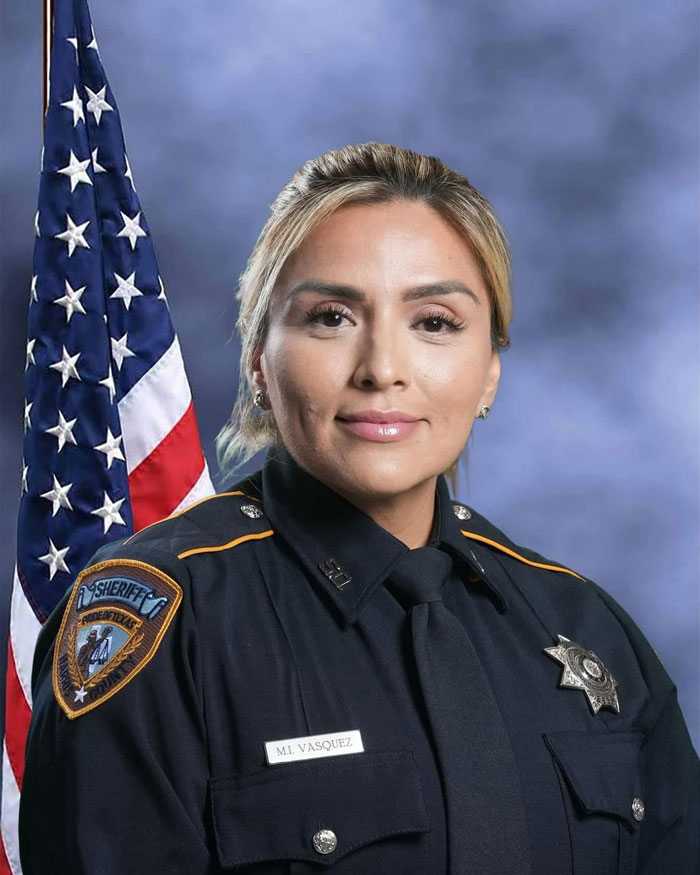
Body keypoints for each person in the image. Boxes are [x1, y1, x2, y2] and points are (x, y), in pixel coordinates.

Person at [19, 142, 699, 874]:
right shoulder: (165, 625)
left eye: (434, 322)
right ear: (259, 362)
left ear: (490, 372)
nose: (381, 369)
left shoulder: (585, 627)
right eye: (331, 316)